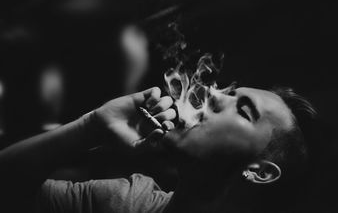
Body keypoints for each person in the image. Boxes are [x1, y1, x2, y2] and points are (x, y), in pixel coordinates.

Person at [0, 85, 316, 213]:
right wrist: (91, 127)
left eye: (244, 111)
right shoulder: (129, 201)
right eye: (229, 90)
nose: (214, 93)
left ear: (259, 172)